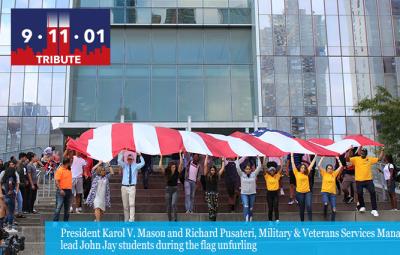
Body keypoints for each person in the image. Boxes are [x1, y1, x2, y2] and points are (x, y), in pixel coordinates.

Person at [346, 146, 384, 217]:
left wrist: (382, 149)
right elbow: (347, 159)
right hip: (359, 181)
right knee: (359, 193)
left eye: (364, 152)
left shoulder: (369, 159)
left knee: (372, 192)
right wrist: (350, 150)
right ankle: (362, 206)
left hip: (368, 180)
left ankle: (374, 210)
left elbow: (380, 158)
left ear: (366, 154)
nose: (363, 153)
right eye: (362, 152)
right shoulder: (356, 159)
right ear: (360, 153)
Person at [118, 151, 145, 222]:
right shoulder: (124, 165)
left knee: (132, 204)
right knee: (125, 205)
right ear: (127, 159)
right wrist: (122, 153)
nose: (129, 160)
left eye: (131, 159)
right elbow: (118, 160)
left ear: (133, 159)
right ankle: (126, 220)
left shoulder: (135, 165)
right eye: (128, 159)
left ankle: (131, 219)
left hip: (132, 187)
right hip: (124, 187)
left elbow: (143, 163)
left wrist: (140, 155)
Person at [291, 152, 316, 222]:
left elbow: (311, 164)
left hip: (307, 192)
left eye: (304, 168)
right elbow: (293, 164)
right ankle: (302, 222)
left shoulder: (307, 173)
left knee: (309, 206)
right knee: (301, 208)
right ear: (299, 168)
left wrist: (316, 156)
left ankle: (310, 221)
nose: (303, 168)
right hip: (299, 193)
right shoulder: (296, 173)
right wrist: (292, 155)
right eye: (302, 167)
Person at [236, 156, 262, 222]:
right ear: (244, 169)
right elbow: (237, 166)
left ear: (251, 169)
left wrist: (258, 158)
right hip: (244, 193)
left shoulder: (254, 174)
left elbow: (259, 167)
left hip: (252, 193)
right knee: (246, 206)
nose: (248, 170)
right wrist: (239, 158)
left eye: (249, 169)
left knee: (251, 208)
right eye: (246, 169)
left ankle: (250, 217)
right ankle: (246, 219)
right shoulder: (241, 174)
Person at [159, 152, 183, 221]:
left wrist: (180, 155)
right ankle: (170, 220)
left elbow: (181, 163)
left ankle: (175, 219)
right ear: (170, 167)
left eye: (175, 167)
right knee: (168, 207)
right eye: (173, 167)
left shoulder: (177, 172)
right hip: (168, 190)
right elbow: (160, 166)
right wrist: (161, 157)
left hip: (175, 189)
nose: (174, 168)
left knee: (173, 204)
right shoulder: (167, 172)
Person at [318, 157, 343, 221]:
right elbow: (318, 165)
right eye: (328, 168)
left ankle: (332, 224)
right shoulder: (324, 173)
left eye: (331, 169)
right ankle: (325, 212)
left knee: (334, 210)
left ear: (332, 169)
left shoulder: (334, 174)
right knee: (326, 203)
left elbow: (341, 166)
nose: (330, 170)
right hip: (325, 192)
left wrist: (337, 158)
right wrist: (322, 157)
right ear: (326, 169)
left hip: (332, 194)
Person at [0, 159, 19, 232]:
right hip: (10, 196)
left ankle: (4, 225)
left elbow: (4, 186)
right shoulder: (11, 178)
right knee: (11, 212)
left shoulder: (4, 180)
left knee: (6, 211)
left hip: (6, 196)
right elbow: (11, 183)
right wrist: (11, 190)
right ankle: (9, 227)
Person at [204, 155, 225, 221]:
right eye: (211, 170)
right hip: (209, 194)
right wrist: (206, 157)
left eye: (213, 170)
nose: (212, 171)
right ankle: (211, 221)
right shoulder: (207, 175)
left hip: (215, 194)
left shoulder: (217, 176)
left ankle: (214, 221)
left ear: (215, 171)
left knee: (215, 208)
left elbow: (222, 168)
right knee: (210, 208)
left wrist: (223, 160)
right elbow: (205, 166)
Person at [15, 152, 27, 218]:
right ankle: (18, 213)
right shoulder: (18, 165)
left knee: (21, 199)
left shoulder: (22, 165)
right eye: (25, 157)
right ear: (22, 157)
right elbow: (18, 175)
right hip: (19, 184)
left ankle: (19, 212)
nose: (25, 159)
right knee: (19, 199)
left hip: (21, 184)